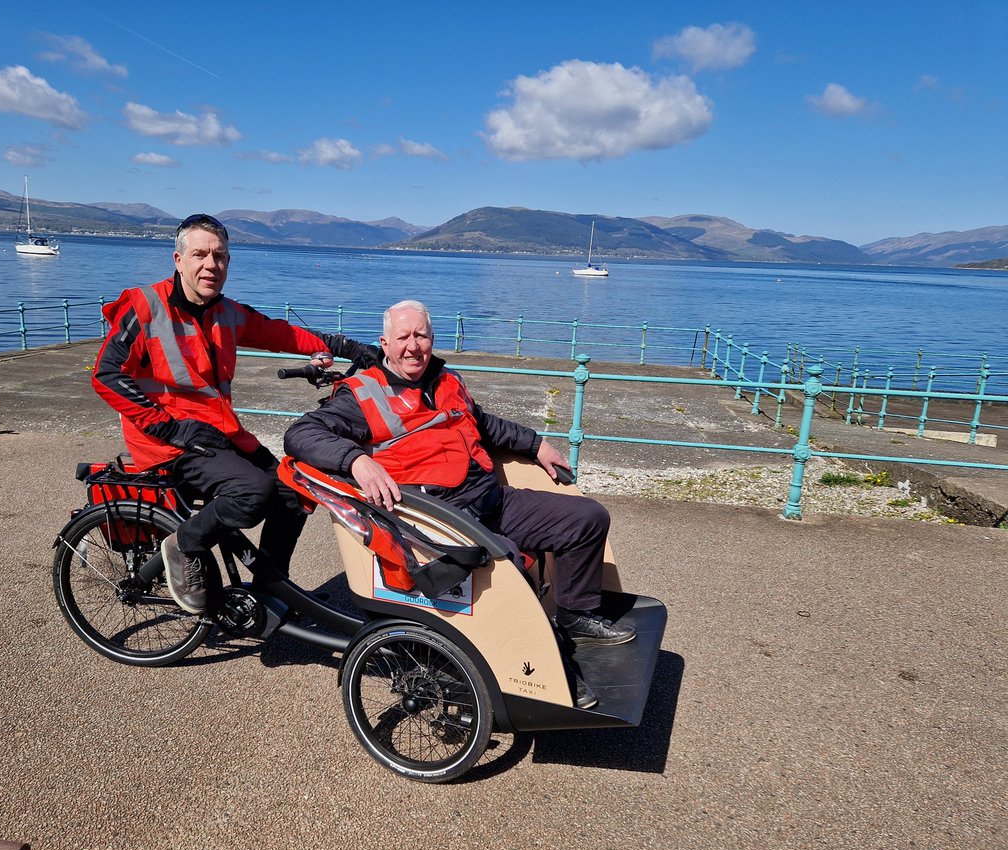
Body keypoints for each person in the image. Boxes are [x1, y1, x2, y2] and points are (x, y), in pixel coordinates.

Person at [283, 299, 633, 709]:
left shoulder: (446, 380)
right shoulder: (362, 395)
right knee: (512, 568)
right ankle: (550, 669)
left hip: (490, 498)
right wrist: (356, 460)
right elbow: (301, 434)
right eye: (403, 337)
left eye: (421, 335)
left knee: (587, 518)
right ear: (384, 343)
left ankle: (576, 614)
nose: (413, 346)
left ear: (432, 338)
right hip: (442, 517)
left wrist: (537, 445)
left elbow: (484, 424)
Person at [93, 213, 375, 615]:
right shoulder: (145, 307)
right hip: (168, 442)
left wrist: (350, 347)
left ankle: (271, 588)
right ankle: (183, 543)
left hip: (216, 433)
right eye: (200, 255)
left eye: (220, 256)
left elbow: (283, 333)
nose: (211, 265)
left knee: (294, 488)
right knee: (251, 493)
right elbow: (106, 376)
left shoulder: (225, 312)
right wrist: (170, 428)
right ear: (178, 260)